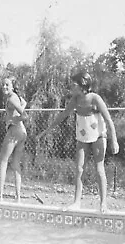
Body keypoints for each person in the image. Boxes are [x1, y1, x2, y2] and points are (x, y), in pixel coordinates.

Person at [48, 72, 119, 213]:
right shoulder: (75, 100)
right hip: (82, 136)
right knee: (79, 169)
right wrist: (48, 129)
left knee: (99, 169)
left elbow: (108, 120)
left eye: (74, 85)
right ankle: (76, 202)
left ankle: (103, 203)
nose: (71, 87)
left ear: (83, 86)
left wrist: (114, 140)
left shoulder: (95, 99)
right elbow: (63, 114)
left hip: (98, 135)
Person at [0, 77, 27, 203]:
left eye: (7, 85)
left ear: (12, 86)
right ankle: (18, 197)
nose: (4, 87)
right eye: (3, 85)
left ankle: (0, 195)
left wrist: (14, 120)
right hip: (22, 132)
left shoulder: (11, 98)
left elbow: (25, 116)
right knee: (15, 164)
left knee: (3, 161)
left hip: (14, 130)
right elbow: (24, 103)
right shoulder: (17, 97)